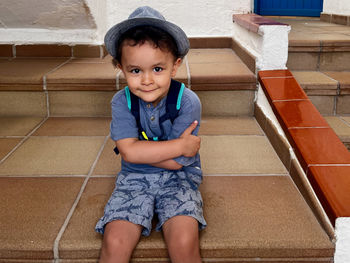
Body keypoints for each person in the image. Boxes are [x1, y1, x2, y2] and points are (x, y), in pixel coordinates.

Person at [95, 6, 206, 263]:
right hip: (133, 179)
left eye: (157, 69)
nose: (146, 80)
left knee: (184, 241)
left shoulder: (187, 102)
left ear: (175, 66)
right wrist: (180, 146)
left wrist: (137, 151)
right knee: (114, 241)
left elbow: (177, 163)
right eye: (135, 70)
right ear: (121, 68)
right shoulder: (120, 102)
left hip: (179, 179)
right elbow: (130, 153)